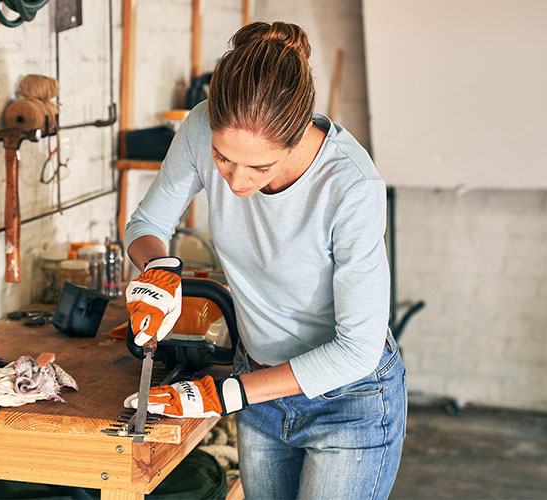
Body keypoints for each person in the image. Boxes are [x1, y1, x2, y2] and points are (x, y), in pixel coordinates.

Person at [122, 21, 406, 500]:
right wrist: (157, 272)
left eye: (260, 167)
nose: (235, 183)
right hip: (258, 387)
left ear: (298, 138)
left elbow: (356, 350)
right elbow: (146, 224)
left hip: (348, 402)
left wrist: (226, 394)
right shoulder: (198, 125)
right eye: (222, 158)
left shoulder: (352, 187)